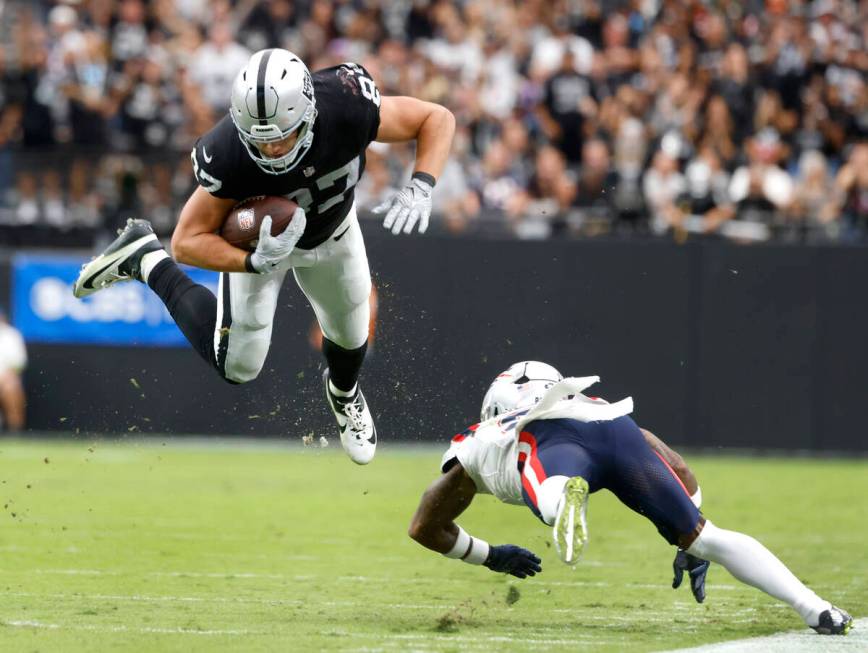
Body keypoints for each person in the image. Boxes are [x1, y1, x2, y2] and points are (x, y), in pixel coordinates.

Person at [72, 48, 455, 465]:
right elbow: (186, 241)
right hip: (259, 245)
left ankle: (343, 394)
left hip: (332, 231)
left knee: (351, 331)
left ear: (307, 114)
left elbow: (436, 118)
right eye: (261, 140)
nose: (272, 149)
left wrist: (422, 183)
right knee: (238, 366)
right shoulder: (227, 151)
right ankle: (145, 257)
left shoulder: (347, 103)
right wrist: (250, 262)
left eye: (282, 136)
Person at [407, 361, 853, 636]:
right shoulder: (594, 403)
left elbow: (423, 525)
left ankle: (564, 499)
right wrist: (688, 537)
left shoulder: (483, 440)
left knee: (552, 493)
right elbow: (680, 469)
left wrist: (489, 555)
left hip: (551, 446)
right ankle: (816, 609)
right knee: (708, 538)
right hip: (614, 430)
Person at [0, 308, 27, 433]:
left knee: (10, 386)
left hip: (6, 379)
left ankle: (14, 429)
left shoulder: (11, 335)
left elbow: (19, 363)